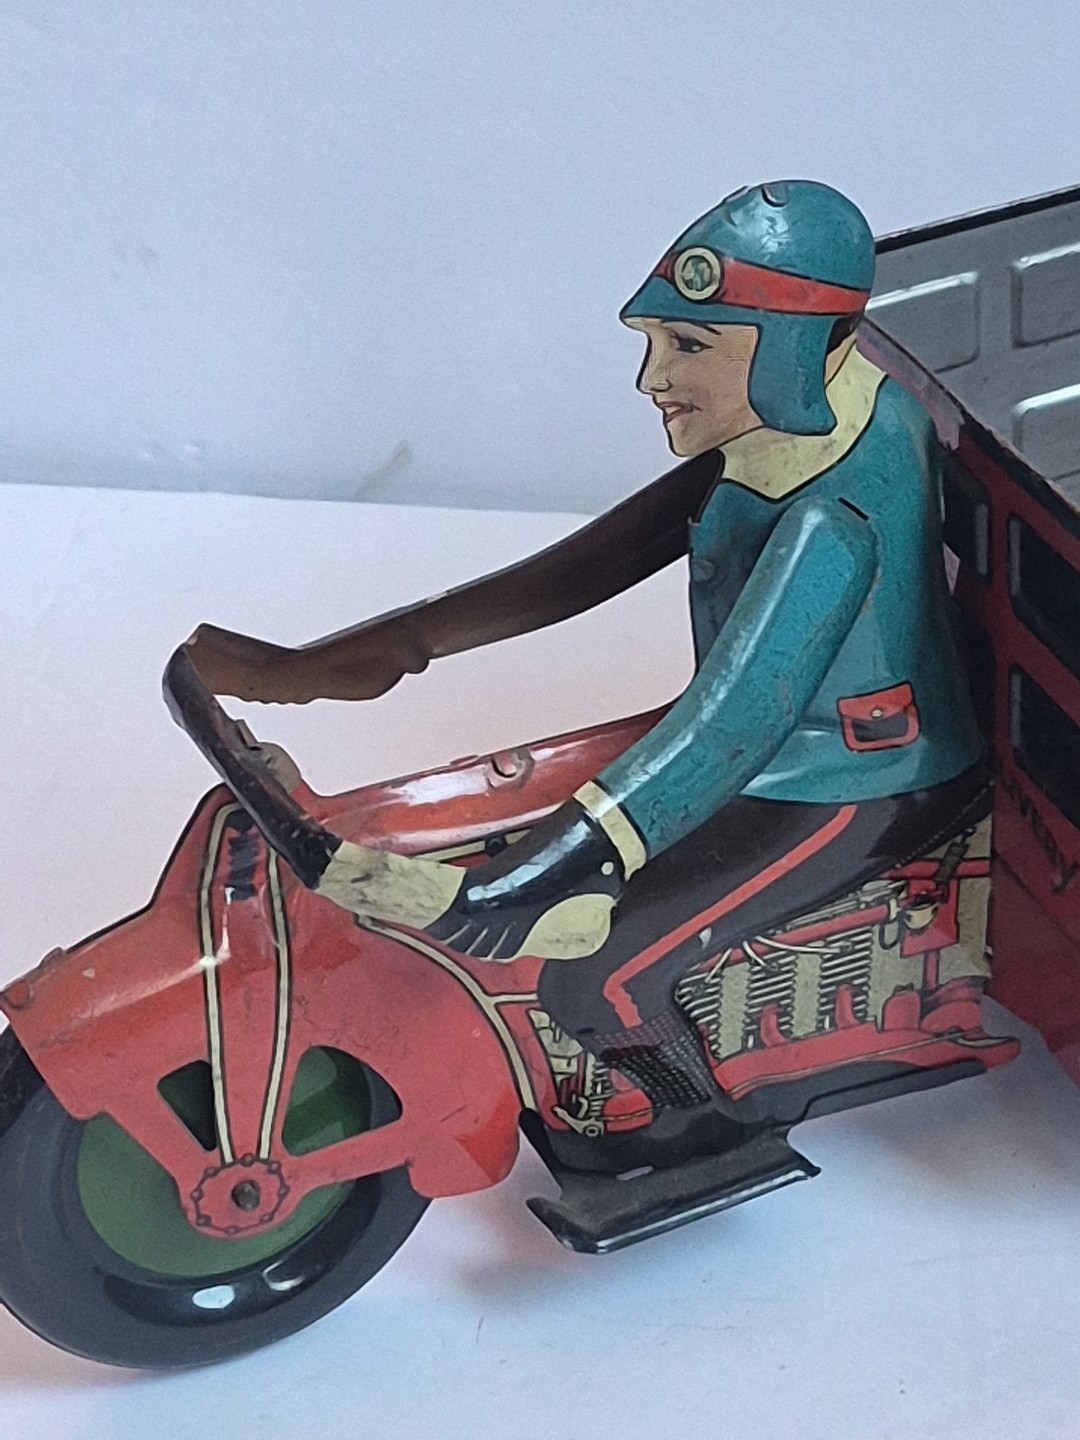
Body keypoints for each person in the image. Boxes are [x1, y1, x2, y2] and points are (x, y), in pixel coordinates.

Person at [186, 180, 990, 1169]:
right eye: (657, 343)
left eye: (689, 345)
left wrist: (528, 880)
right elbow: (590, 564)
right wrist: (356, 657)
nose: (653, 377)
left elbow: (732, 720)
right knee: (524, 833)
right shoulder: (794, 428)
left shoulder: (831, 519)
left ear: (795, 346)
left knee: (597, 975)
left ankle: (700, 1132)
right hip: (784, 744)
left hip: (857, 781)